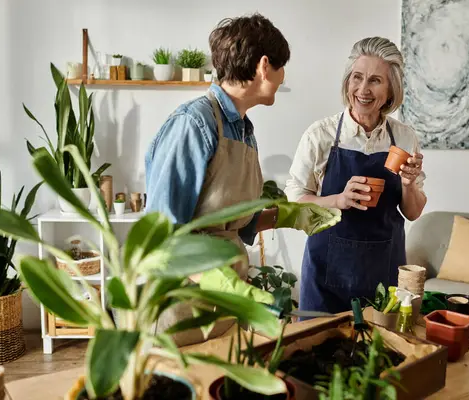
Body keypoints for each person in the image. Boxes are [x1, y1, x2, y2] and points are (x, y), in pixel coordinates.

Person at [144, 13, 339, 345]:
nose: (282, 76)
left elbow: (230, 222)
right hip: (181, 303)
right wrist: (226, 286)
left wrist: (288, 216)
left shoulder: (242, 128)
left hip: (221, 303)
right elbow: (160, 237)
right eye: (281, 67)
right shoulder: (194, 124)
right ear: (265, 66)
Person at [284, 37, 427, 315]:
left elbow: (413, 212)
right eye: (357, 78)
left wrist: (409, 185)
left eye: (375, 80)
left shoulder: (404, 138)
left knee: (384, 354)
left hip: (384, 273)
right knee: (318, 352)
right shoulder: (320, 136)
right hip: (326, 274)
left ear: (390, 90)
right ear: (347, 81)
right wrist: (338, 200)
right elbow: (294, 201)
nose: (363, 89)